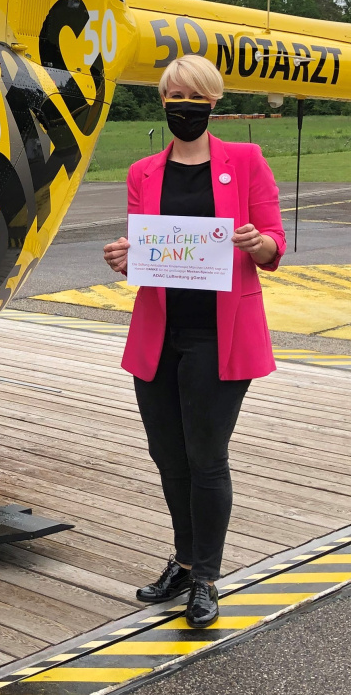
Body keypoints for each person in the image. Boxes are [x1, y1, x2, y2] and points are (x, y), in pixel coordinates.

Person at [102, 54, 285, 628]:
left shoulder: (246, 161)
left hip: (220, 334)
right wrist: (124, 259)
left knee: (206, 458)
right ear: (162, 100)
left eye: (194, 95)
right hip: (159, 333)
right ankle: (183, 561)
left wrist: (258, 244)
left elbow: (275, 244)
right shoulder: (142, 172)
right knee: (168, 458)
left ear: (213, 101)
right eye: (173, 94)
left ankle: (206, 576)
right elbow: (145, 255)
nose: (183, 103)